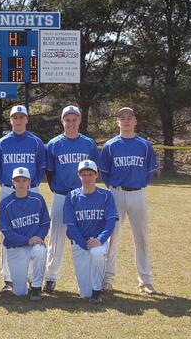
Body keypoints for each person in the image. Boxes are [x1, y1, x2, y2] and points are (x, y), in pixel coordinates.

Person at [100, 107, 159, 294]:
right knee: (112, 237)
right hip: (116, 193)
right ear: (117, 122)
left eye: (129, 117)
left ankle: (145, 281)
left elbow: (150, 171)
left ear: (135, 122)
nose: (126, 121)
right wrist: (114, 188)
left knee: (141, 239)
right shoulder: (110, 145)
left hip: (137, 193)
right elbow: (105, 173)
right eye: (122, 118)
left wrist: (138, 185)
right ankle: (107, 279)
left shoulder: (144, 145)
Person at [44, 105, 100, 294]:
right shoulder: (53, 144)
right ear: (62, 121)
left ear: (79, 121)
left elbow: (94, 170)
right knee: (56, 238)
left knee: (84, 238)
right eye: (67, 119)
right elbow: (49, 172)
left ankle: (87, 279)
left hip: (83, 197)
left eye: (74, 119)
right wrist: (58, 191)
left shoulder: (89, 143)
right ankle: (51, 277)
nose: (71, 123)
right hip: (61, 195)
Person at [0, 104, 47, 293]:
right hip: (9, 189)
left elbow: (41, 167)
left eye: (21, 117)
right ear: (11, 120)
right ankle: (8, 278)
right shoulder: (2, 143)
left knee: (32, 227)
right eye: (14, 117)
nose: (18, 120)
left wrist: (33, 185)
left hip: (31, 189)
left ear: (26, 119)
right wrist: (6, 184)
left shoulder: (36, 142)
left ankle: (34, 278)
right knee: (7, 232)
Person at [64, 160, 118, 304]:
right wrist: (84, 244)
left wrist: (100, 240)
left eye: (90, 174)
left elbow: (110, 222)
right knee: (84, 294)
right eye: (84, 174)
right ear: (79, 176)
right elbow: (71, 226)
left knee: (97, 252)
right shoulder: (72, 196)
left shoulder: (106, 195)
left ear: (97, 175)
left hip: (98, 241)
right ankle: (90, 289)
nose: (87, 178)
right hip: (79, 242)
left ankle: (97, 290)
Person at [0, 167, 50, 301]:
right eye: (18, 180)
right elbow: (6, 232)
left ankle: (36, 287)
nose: (21, 183)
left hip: (33, 246)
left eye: (24, 180)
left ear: (29, 182)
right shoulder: (5, 204)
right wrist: (28, 240)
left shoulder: (38, 199)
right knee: (20, 292)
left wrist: (39, 237)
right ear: (13, 182)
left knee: (40, 251)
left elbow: (45, 223)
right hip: (16, 247)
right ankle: (27, 277)